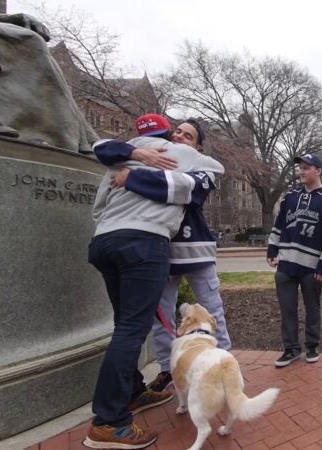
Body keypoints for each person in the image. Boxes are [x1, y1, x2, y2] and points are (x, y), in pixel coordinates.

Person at [84, 114, 225, 449]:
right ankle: (109, 422)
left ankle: (132, 391)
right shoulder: (185, 155)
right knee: (132, 329)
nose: (178, 137)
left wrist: (132, 173)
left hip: (104, 242)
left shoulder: (123, 151)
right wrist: (145, 171)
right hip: (142, 242)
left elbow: (98, 150)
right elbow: (189, 187)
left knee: (124, 324)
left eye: (185, 134)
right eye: (176, 132)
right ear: (167, 134)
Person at [267, 154, 322, 367]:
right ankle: (290, 349)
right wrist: (272, 249)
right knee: (287, 308)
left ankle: (312, 345)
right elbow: (278, 225)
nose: (301, 171)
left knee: (312, 307)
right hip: (286, 264)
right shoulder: (290, 197)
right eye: (300, 167)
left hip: (312, 266)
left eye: (307, 167)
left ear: (318, 170)